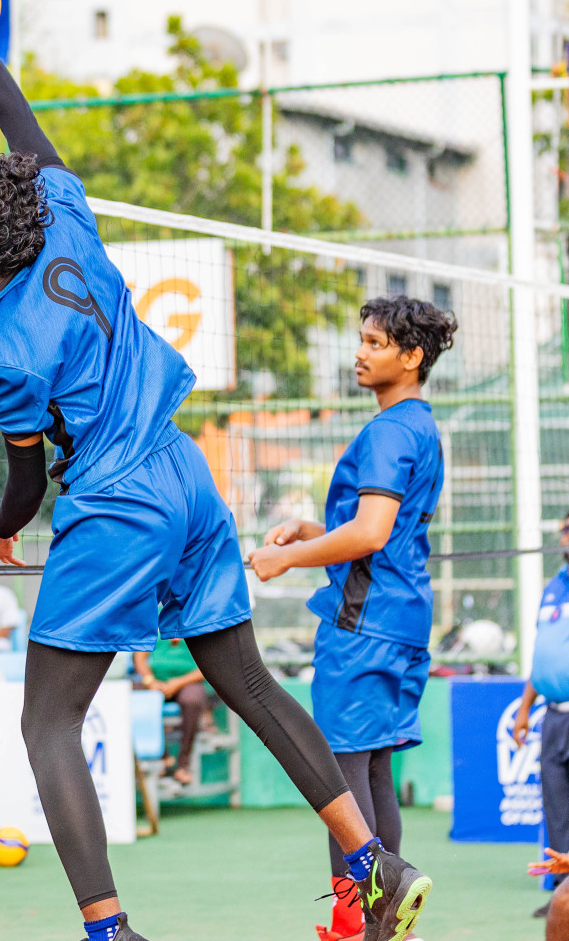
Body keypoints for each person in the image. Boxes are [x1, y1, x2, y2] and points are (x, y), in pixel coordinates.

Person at [0, 0, 431, 941]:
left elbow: (24, 471)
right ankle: (374, 859)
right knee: (248, 678)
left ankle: (108, 928)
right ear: (29, 203)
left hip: (114, 502)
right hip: (186, 474)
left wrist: (5, 527)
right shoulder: (69, 216)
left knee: (47, 720)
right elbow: (27, 131)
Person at [248, 296, 454, 941]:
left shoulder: (390, 429)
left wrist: (289, 559)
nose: (359, 353)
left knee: (338, 778)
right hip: (401, 617)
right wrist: (314, 532)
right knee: (370, 769)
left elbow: (369, 533)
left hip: (365, 625)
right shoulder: (422, 426)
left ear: (412, 356)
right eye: (360, 340)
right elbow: (382, 533)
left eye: (374, 343)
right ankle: (383, 926)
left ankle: (359, 925)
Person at [515, 515, 569, 919]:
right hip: (552, 715)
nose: (564, 536)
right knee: (556, 808)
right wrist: (523, 709)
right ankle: (562, 898)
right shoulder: (553, 587)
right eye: (564, 529)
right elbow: (542, 654)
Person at [132, 639, 211, 785]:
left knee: (191, 700)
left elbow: (210, 665)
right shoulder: (155, 621)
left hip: (188, 682)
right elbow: (139, 657)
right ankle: (163, 757)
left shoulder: (197, 623)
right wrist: (150, 681)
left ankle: (184, 765)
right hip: (156, 681)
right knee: (129, 695)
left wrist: (177, 683)